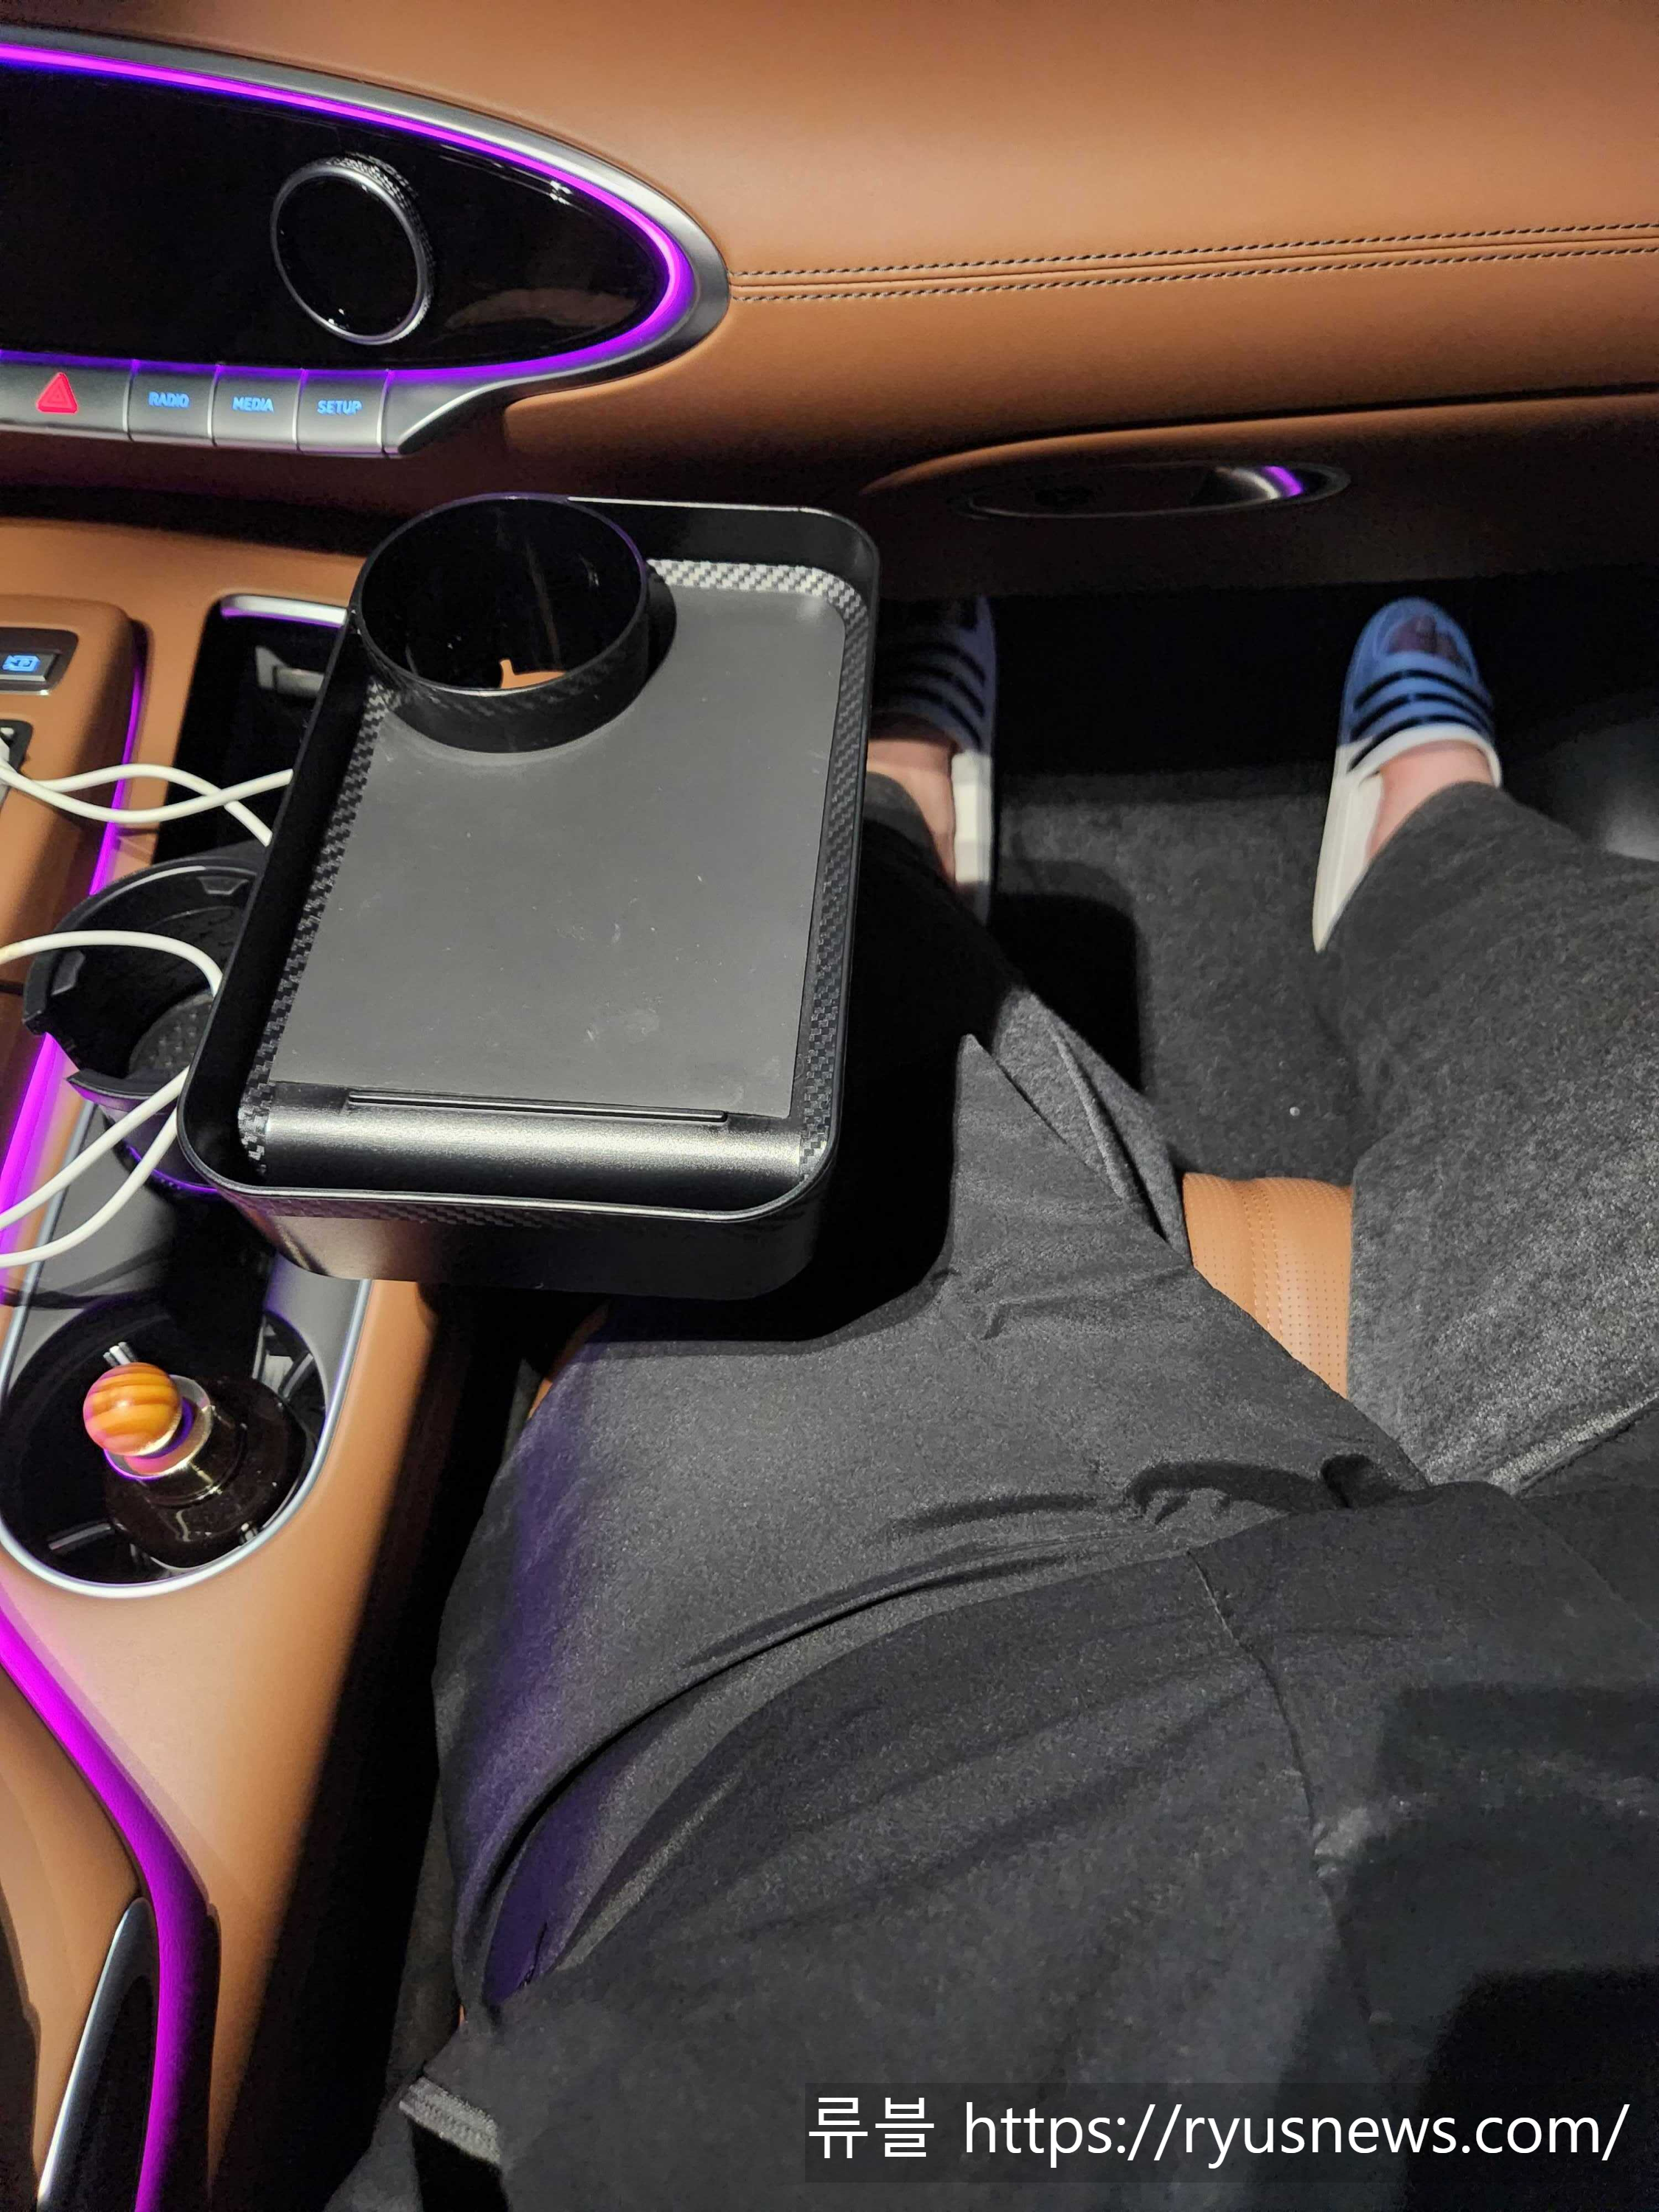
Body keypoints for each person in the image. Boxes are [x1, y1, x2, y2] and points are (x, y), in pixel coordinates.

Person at [337, 602, 1659, 2210]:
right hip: (1607, 1618)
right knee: (1607, 1004)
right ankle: (1437, 851)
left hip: (834, 1782)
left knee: (819, 1057)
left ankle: (898, 834)